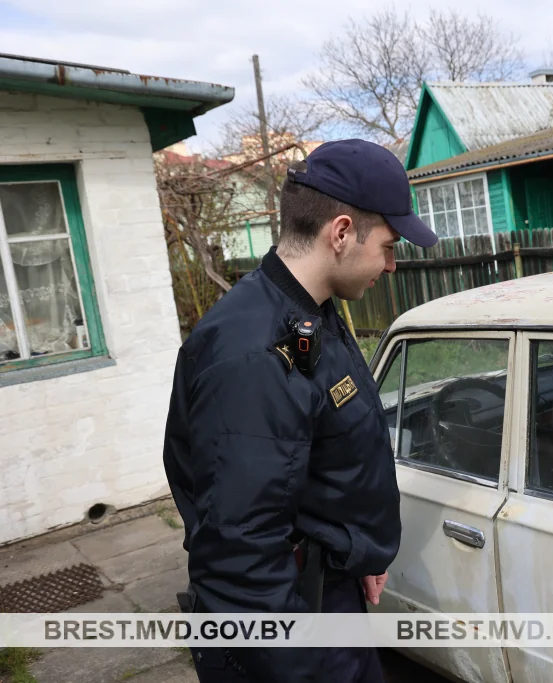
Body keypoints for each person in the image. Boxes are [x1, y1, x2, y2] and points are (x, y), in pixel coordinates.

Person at [162, 139, 438, 682]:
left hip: (325, 594)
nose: (391, 265)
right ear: (340, 233)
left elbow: (321, 448)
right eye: (387, 244)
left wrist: (358, 551)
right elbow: (240, 551)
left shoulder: (307, 316)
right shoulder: (252, 354)